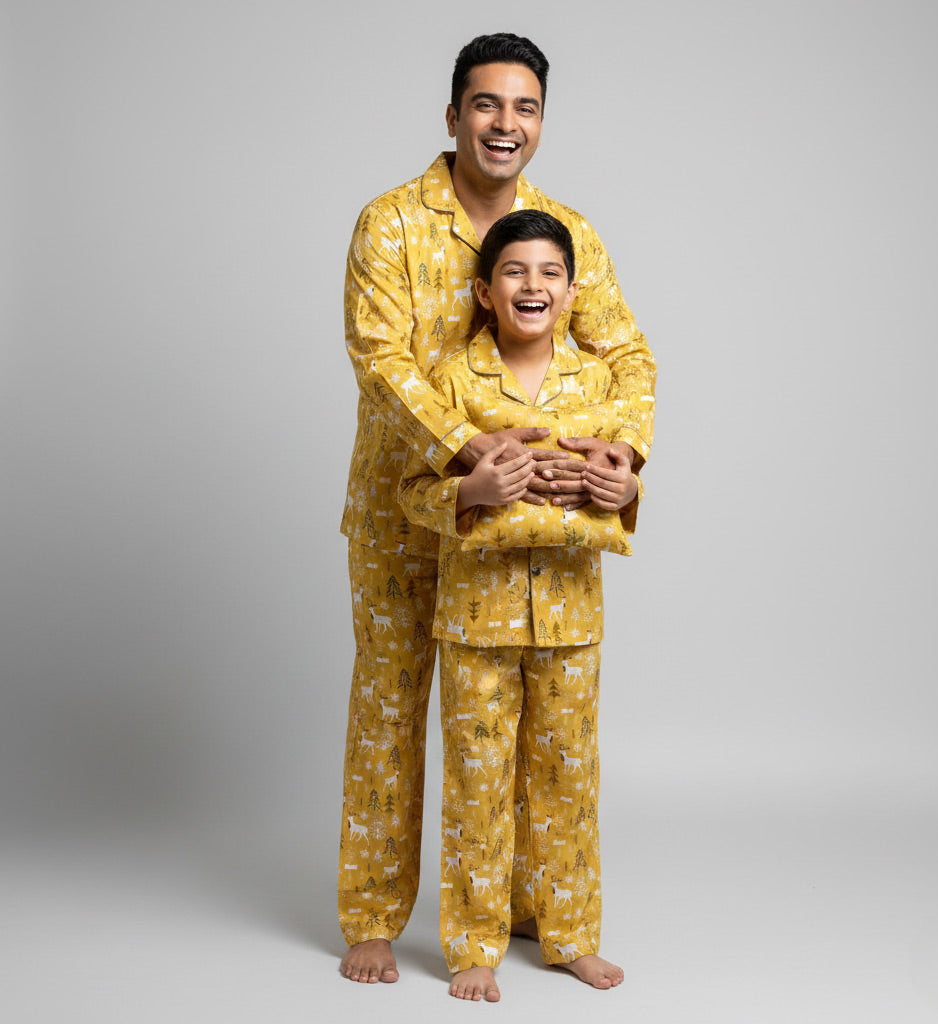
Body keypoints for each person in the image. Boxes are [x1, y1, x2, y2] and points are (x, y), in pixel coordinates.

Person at [338, 32, 656, 985]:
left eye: (523, 108)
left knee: (531, 723)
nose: (504, 124)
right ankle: (371, 916)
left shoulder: (567, 233)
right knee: (393, 707)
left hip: (533, 532)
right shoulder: (389, 223)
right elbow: (380, 360)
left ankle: (530, 910)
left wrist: (622, 454)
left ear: (542, 123)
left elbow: (627, 355)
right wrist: (474, 452)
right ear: (453, 116)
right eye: (486, 105)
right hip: (406, 510)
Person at [399, 210, 638, 1001]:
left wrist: (625, 490)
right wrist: (468, 490)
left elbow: (618, 484)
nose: (531, 285)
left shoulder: (599, 385)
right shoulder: (451, 385)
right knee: (478, 778)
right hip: (476, 619)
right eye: (513, 272)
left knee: (569, 777)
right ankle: (474, 943)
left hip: (571, 619)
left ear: (572, 293)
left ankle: (570, 936)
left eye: (548, 274)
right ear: (483, 289)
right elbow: (412, 495)